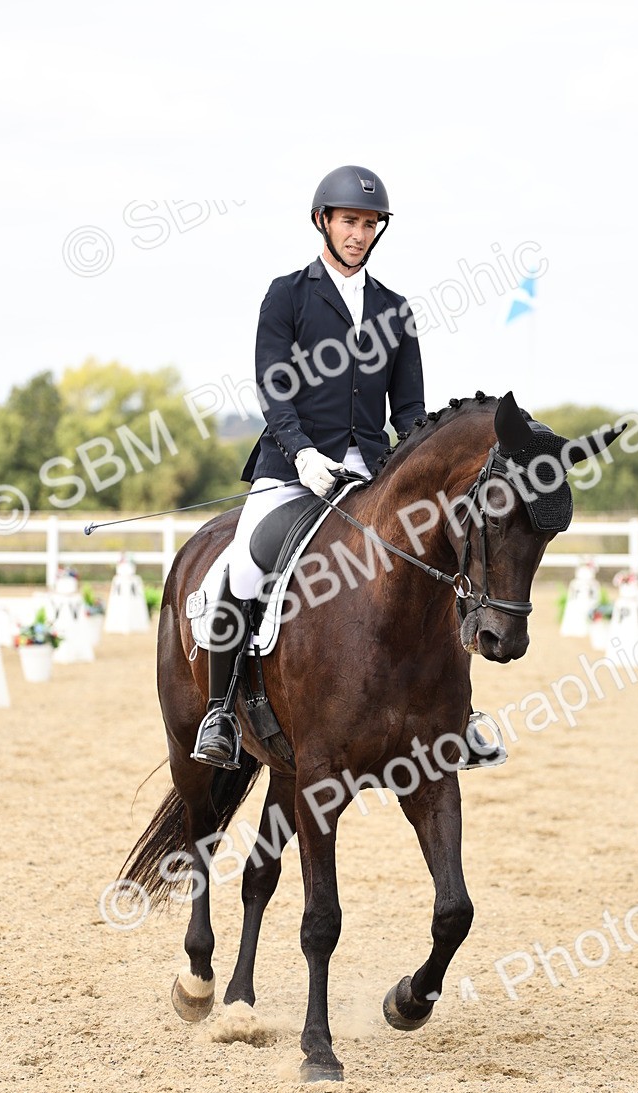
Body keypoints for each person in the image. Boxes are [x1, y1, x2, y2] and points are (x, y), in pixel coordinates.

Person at [192, 165, 426, 768]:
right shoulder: (288, 295)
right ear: (323, 221)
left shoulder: (395, 311)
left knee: (433, 564)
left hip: (372, 473)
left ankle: (453, 708)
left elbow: (410, 410)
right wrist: (301, 452)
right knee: (242, 566)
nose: (360, 233)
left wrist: (410, 469)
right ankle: (220, 709)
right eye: (350, 220)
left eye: (370, 223)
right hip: (293, 466)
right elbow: (275, 384)